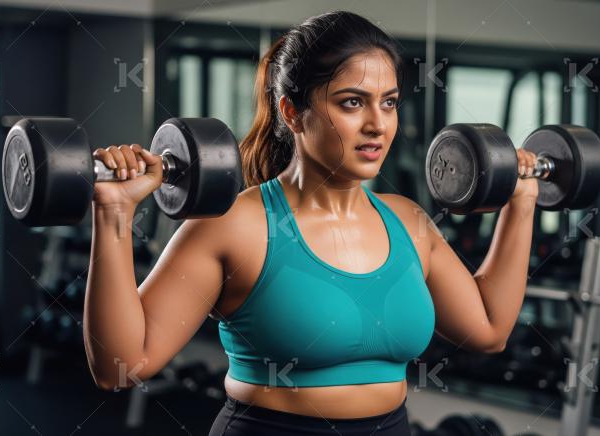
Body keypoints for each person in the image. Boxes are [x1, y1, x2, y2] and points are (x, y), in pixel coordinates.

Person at [83, 10, 539, 435]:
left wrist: (522, 200)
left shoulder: (409, 222)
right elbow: (121, 365)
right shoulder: (235, 225)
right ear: (291, 113)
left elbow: (490, 330)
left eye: (390, 103)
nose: (378, 125)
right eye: (352, 102)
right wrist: (113, 213)